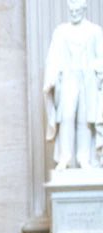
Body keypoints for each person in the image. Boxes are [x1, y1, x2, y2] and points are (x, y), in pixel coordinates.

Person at [43, 0, 103, 169]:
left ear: (84, 9)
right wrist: (51, 78)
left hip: (88, 79)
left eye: (77, 10)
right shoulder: (61, 31)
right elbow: (53, 57)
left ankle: (84, 158)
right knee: (67, 117)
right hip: (68, 78)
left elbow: (101, 56)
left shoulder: (95, 31)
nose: (74, 13)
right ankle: (65, 157)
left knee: (85, 120)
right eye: (72, 11)